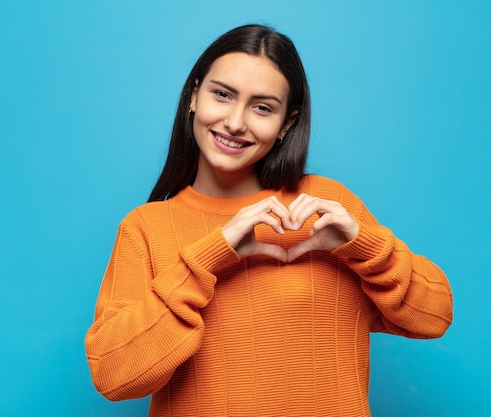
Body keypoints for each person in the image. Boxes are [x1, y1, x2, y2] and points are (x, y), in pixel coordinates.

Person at [85, 24, 453, 416]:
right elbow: (113, 376)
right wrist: (209, 258)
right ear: (195, 95)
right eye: (222, 95)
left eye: (262, 107)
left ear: (287, 123)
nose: (236, 122)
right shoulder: (146, 228)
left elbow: (434, 316)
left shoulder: (325, 205)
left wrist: (369, 249)